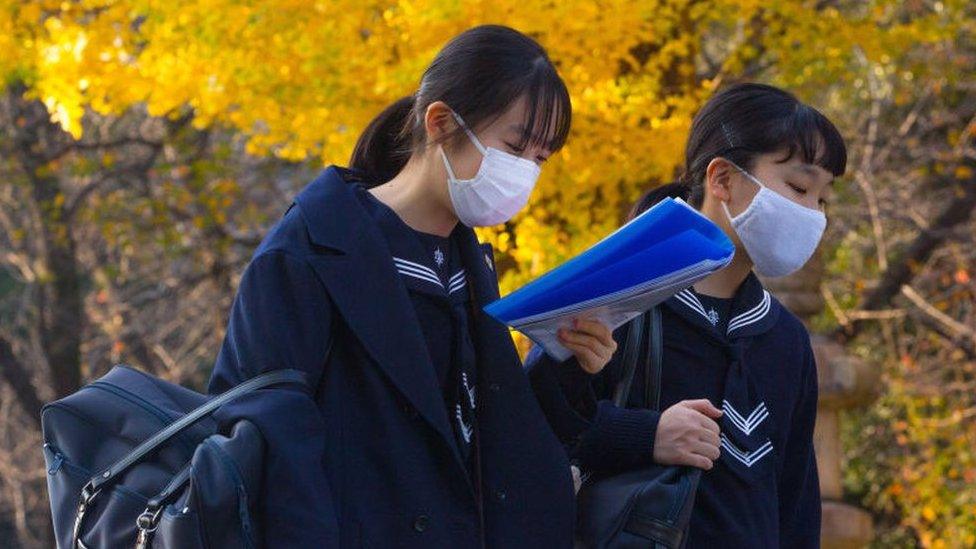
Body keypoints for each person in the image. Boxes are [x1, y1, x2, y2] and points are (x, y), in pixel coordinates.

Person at [207, 25, 616, 548]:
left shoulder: (469, 266)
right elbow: (269, 444)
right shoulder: (309, 253)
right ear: (442, 123)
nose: (525, 173)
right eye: (514, 147)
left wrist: (571, 365)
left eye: (540, 158)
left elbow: (493, 437)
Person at [527, 82, 847, 548]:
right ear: (722, 180)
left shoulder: (785, 339)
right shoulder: (616, 296)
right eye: (798, 187)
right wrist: (646, 434)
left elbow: (794, 504)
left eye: (822, 199)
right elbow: (531, 426)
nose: (812, 213)